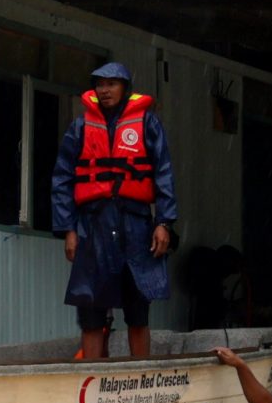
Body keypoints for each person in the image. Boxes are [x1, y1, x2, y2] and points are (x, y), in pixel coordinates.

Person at [50, 61, 178, 360]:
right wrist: (68, 230)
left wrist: (164, 222)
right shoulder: (81, 127)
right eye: (99, 84)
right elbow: (62, 180)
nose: (104, 90)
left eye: (111, 84)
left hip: (135, 225)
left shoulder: (148, 123)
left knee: (138, 309)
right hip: (92, 226)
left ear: (125, 87)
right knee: (91, 309)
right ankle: (91, 377)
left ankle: (140, 373)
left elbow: (164, 173)